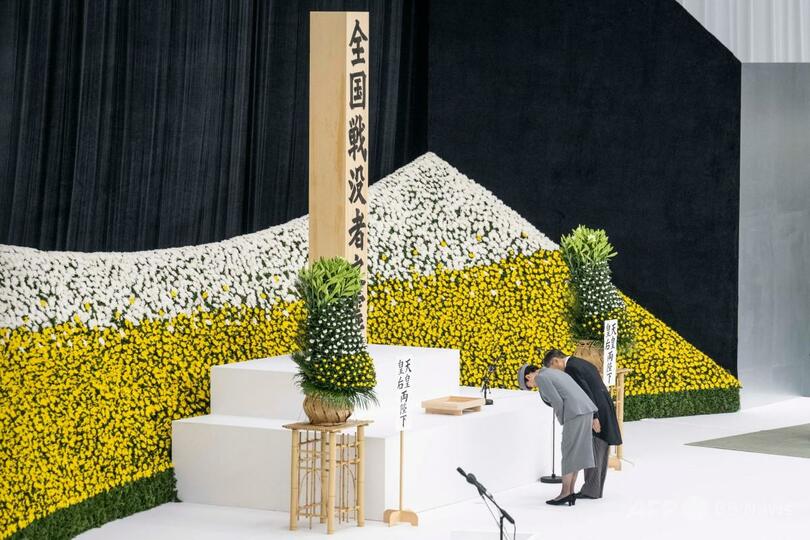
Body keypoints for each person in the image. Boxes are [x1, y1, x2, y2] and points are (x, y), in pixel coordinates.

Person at [541, 349, 622, 500]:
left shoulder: (571, 368)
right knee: (600, 448)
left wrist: (594, 416)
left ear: (556, 361)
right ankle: (594, 489)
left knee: (594, 448)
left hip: (595, 409)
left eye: (552, 369)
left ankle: (591, 490)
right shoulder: (579, 362)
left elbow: (585, 392)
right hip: (603, 404)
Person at [518, 363, 597, 506]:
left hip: (574, 412)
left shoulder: (541, 377)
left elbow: (557, 401)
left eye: (529, 386)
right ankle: (570, 492)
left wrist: (563, 419)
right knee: (577, 453)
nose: (533, 387)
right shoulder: (553, 372)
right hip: (586, 410)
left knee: (569, 452)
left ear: (528, 376)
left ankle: (565, 493)